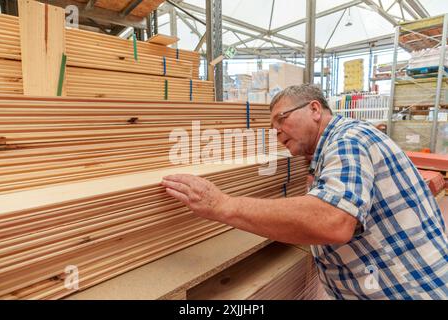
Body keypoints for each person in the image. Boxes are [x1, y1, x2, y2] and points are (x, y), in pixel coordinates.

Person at [162, 84, 448, 300]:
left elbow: (333, 221)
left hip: (410, 290)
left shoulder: (348, 140)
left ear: (314, 109)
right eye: (272, 127)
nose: (276, 133)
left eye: (281, 119)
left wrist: (221, 204)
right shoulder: (326, 152)